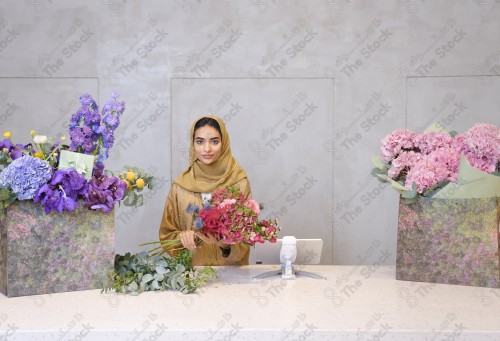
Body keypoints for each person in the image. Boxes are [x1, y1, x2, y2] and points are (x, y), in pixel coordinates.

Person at [159, 116, 251, 266]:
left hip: (232, 277)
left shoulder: (239, 183)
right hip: (193, 278)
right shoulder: (180, 186)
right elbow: (166, 235)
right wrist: (182, 237)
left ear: (224, 143)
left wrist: (226, 245)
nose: (206, 149)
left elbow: (247, 235)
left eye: (214, 141)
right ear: (193, 144)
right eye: (200, 141)